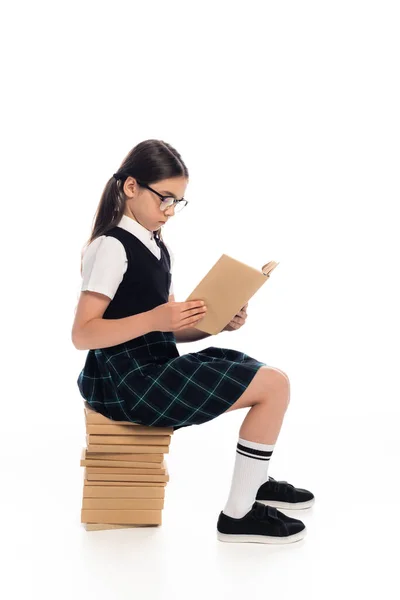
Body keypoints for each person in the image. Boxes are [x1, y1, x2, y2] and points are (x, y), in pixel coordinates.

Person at [72, 139, 314, 544]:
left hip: (153, 366)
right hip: (127, 382)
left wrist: (214, 325)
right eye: (165, 198)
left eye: (177, 202)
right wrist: (157, 318)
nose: (169, 211)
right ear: (131, 187)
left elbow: (165, 327)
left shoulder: (155, 244)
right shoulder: (111, 246)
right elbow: (83, 334)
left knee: (265, 373)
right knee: (274, 386)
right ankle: (239, 515)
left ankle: (254, 482)